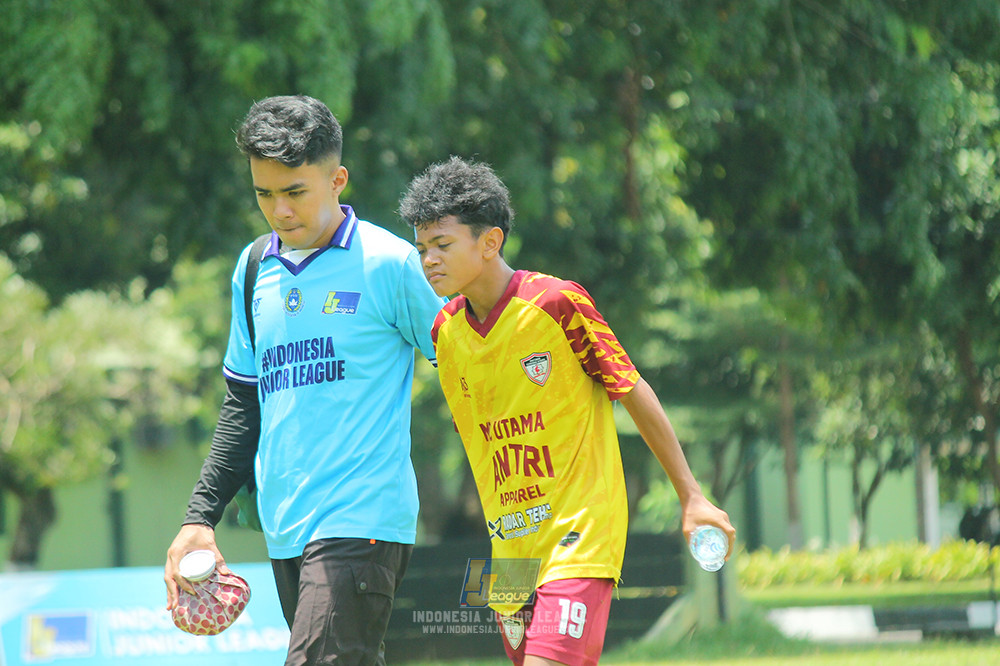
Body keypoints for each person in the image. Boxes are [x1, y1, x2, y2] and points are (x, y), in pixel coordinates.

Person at [399, 156, 736, 666]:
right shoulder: (445, 333)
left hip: (578, 537)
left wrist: (691, 495)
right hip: (511, 553)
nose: (429, 260)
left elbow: (632, 388)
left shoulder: (557, 303)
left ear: (490, 242)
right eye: (423, 248)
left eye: (442, 245)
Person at [164, 95, 446, 665]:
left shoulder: (390, 264)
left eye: (295, 192)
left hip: (364, 517)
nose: (279, 210)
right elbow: (244, 406)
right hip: (286, 526)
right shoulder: (251, 271)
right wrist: (199, 518)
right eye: (264, 194)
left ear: (337, 178)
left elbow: (469, 368)